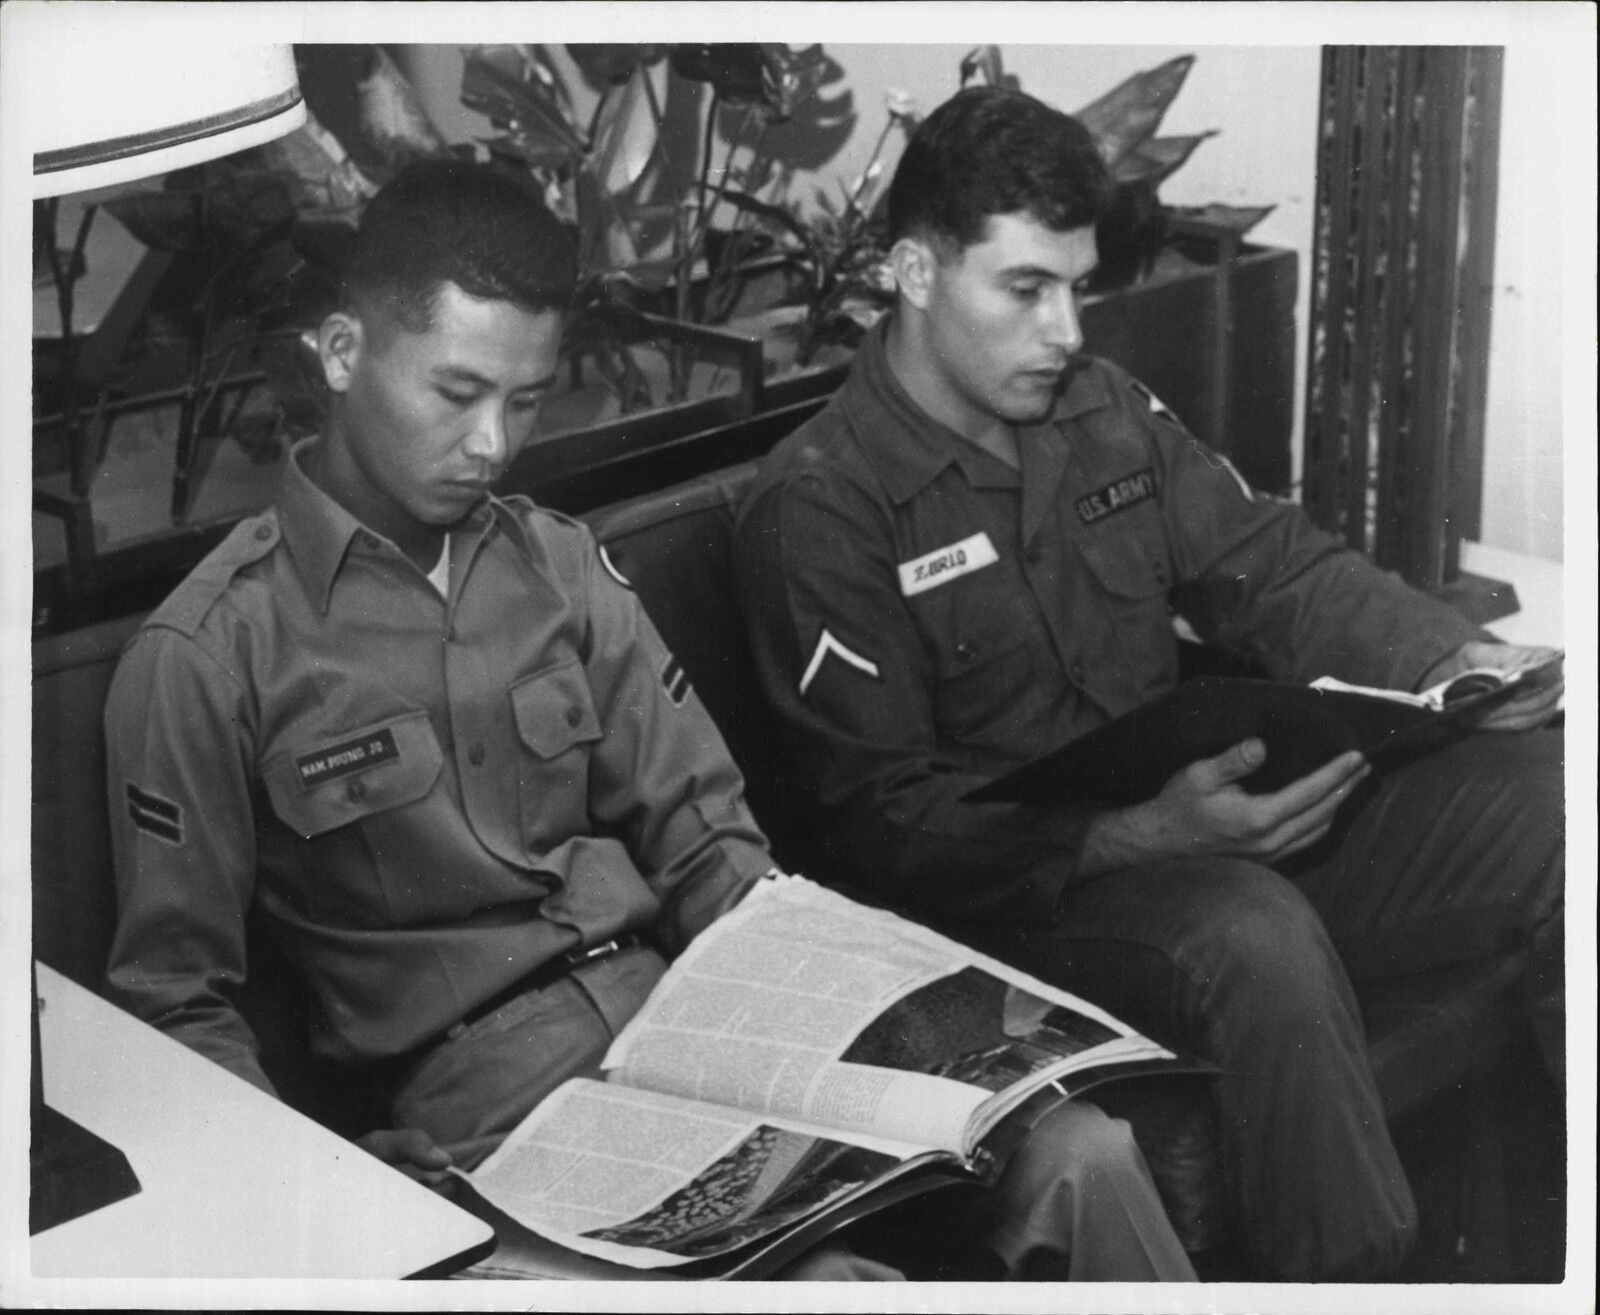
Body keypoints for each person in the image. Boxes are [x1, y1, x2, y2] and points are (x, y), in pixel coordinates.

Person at [102, 157, 1198, 1283]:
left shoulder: (560, 565)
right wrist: (324, 1182)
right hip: (496, 1109)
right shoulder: (207, 654)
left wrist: (876, 1028)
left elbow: (710, 844)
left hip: (695, 1019)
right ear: (342, 355)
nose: (492, 443)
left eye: (524, 401)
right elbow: (174, 1002)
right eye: (456, 392)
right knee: (822, 1289)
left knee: (1082, 1148)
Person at [732, 86, 1565, 1282]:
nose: (1066, 328)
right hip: (1024, 921)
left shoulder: (1100, 413)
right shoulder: (819, 510)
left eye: (1077, 287)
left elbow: (1268, 565)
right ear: (913, 273)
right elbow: (881, 828)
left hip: (1216, 835)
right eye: (1025, 289)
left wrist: (1451, 661)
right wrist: (1137, 835)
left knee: (1559, 803)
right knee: (1246, 929)